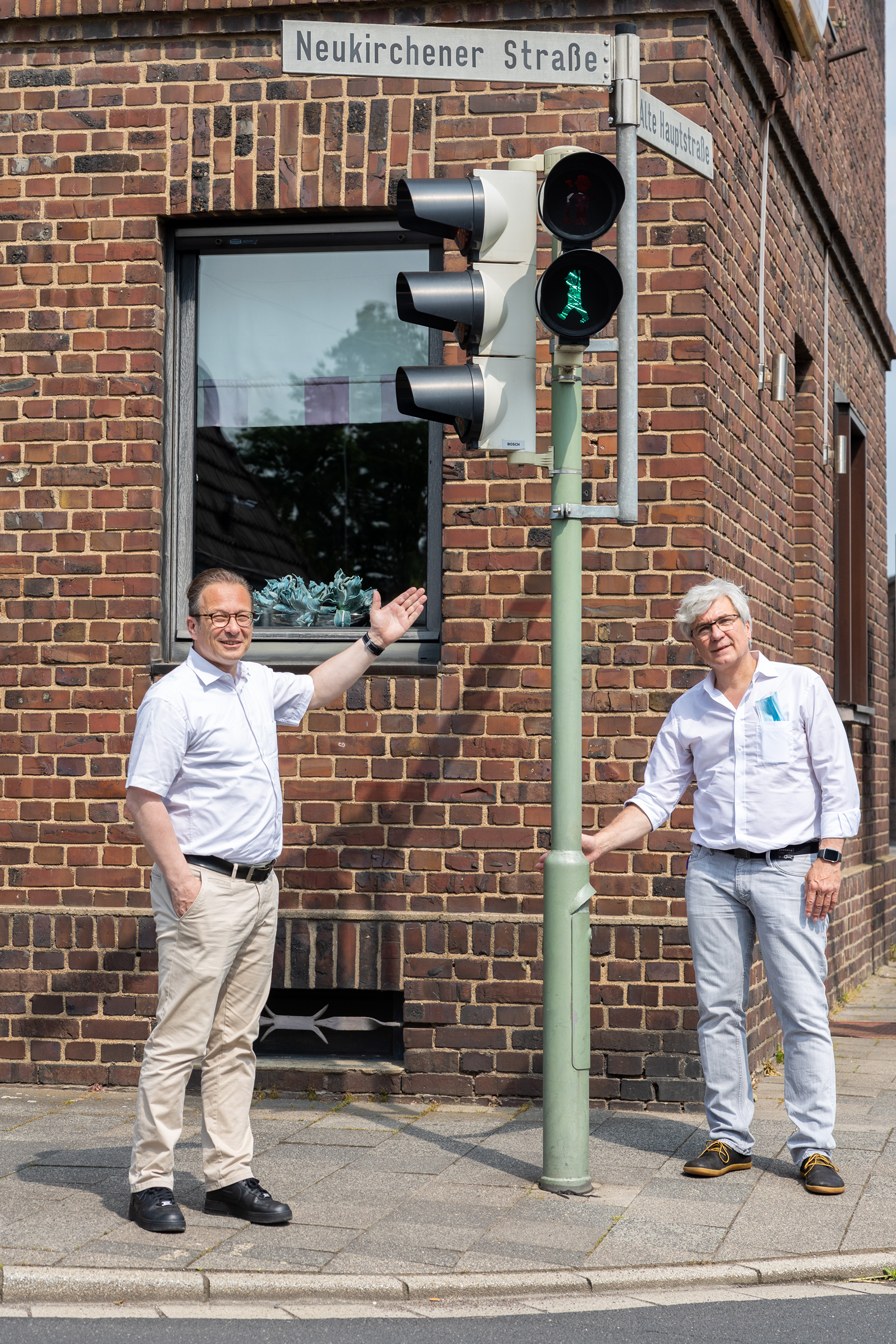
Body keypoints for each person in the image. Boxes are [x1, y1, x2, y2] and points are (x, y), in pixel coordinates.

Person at [125, 566, 426, 1233]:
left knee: (235, 1040)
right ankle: (150, 1181)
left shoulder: (256, 683)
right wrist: (180, 880)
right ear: (191, 625)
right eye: (218, 617)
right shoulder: (173, 698)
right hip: (202, 885)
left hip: (260, 888)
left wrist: (374, 643)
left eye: (242, 616)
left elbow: (317, 689)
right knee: (180, 1038)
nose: (233, 627)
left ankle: (229, 1175)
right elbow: (144, 797)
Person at [579, 577, 859, 1195]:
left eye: (725, 620)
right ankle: (729, 1138)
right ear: (694, 641)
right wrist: (600, 841)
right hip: (713, 871)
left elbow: (837, 782)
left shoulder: (799, 687)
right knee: (719, 1009)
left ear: (747, 623)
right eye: (704, 628)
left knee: (802, 1010)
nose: (717, 634)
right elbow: (656, 796)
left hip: (792, 869)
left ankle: (813, 1147)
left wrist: (829, 859)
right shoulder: (689, 711)